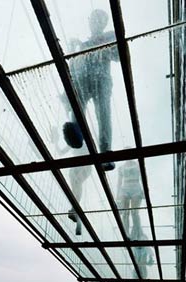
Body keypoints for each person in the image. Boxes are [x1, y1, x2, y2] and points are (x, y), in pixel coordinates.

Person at [63, 9, 119, 235]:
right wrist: (76, 48)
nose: (95, 23)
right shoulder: (85, 42)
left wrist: (97, 43)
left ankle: (106, 152)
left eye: (99, 20)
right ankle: (75, 130)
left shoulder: (108, 36)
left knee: (103, 113)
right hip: (84, 80)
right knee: (77, 107)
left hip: (102, 80)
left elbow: (116, 54)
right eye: (92, 19)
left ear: (103, 22)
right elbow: (75, 66)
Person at [117, 158, 143, 237]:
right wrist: (117, 195)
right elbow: (119, 182)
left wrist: (144, 190)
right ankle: (126, 233)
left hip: (136, 187)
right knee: (125, 213)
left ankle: (137, 233)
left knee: (134, 213)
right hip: (125, 188)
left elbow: (142, 177)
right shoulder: (121, 168)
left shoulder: (138, 165)